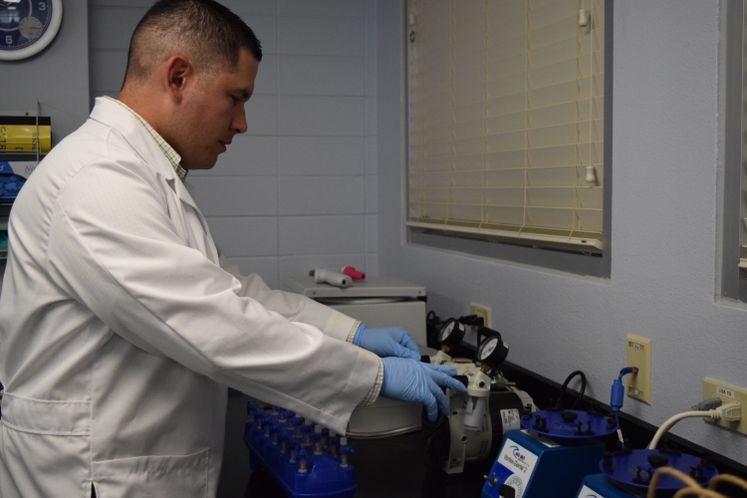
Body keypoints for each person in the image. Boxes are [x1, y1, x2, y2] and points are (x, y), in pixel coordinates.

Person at [0, 1, 465, 497]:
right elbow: (214, 325)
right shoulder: (96, 180)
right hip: (93, 475)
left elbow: (232, 293)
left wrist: (350, 332)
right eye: (235, 97)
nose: (242, 123)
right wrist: (371, 375)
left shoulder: (143, 174)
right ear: (178, 76)